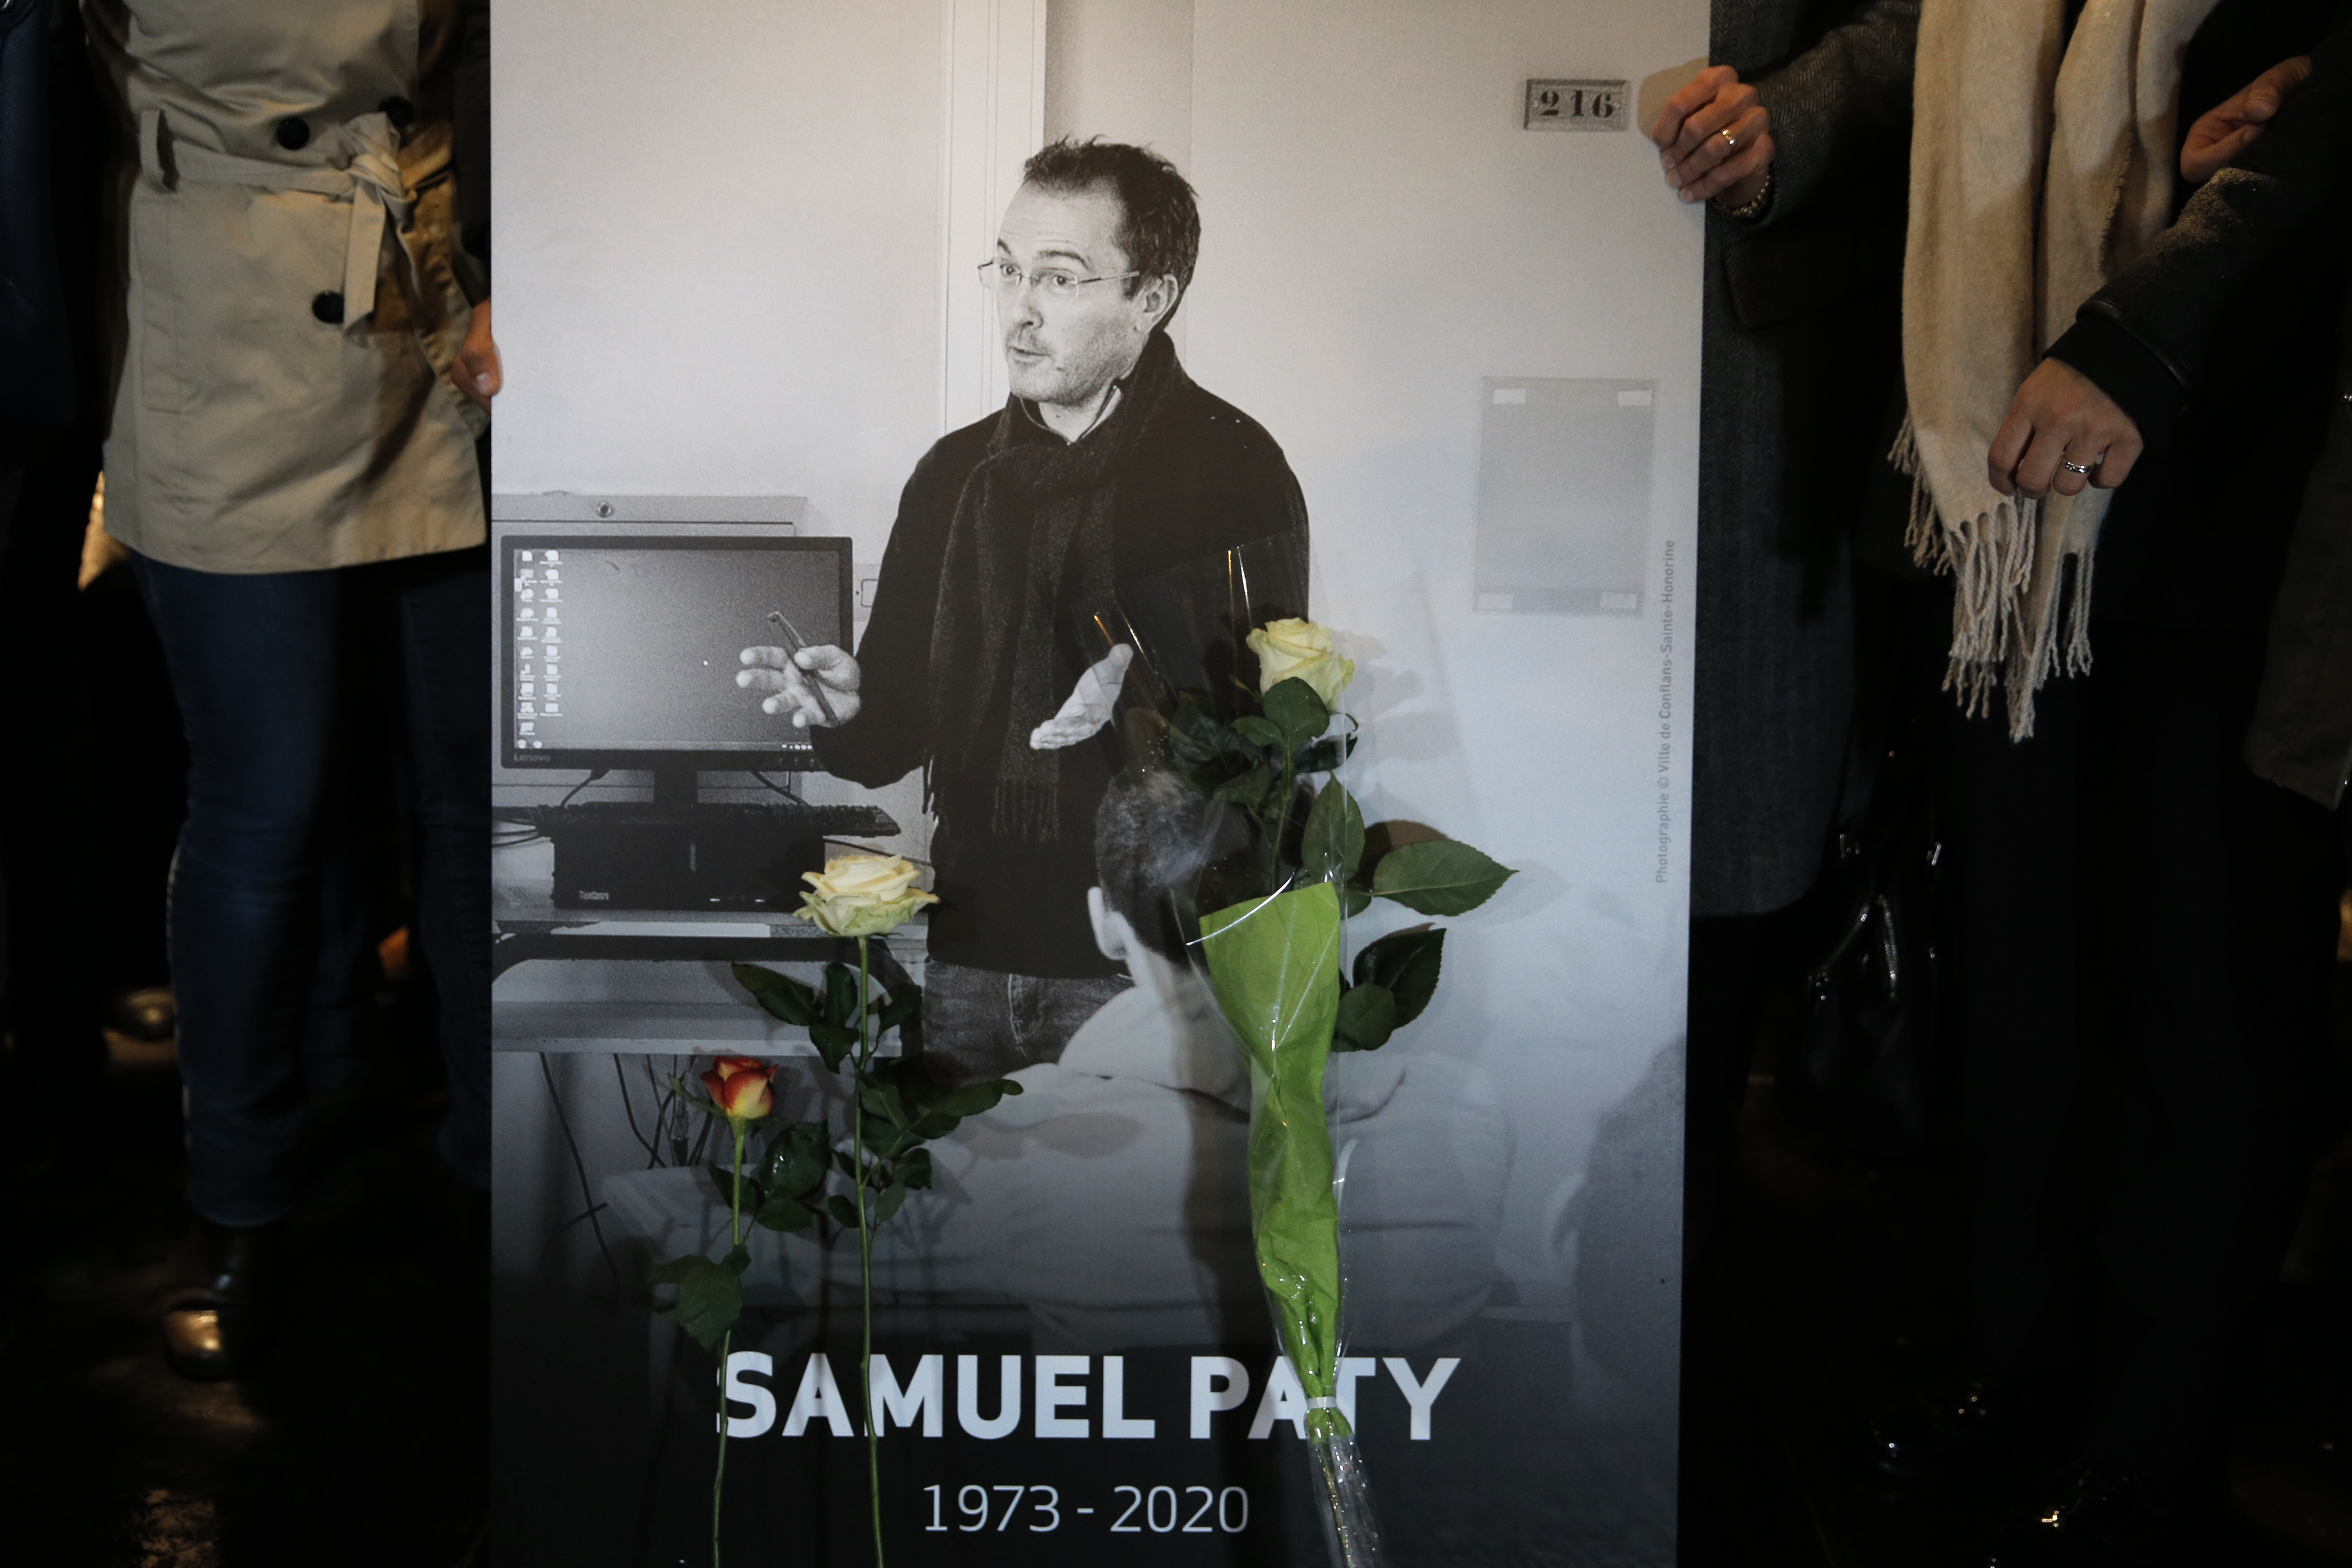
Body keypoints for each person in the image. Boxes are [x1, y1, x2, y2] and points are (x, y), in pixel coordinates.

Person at [1889, 4, 2349, 1561]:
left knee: (2203, 989)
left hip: (2244, 460)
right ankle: (2016, 1360)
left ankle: (2151, 1439)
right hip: (2009, 494)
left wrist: (2152, 305)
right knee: (2022, 960)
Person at [82, 0, 497, 1380]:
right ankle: (243, 1204)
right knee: (267, 808)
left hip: (430, 323)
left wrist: (509, 265)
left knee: (472, 804)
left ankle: (496, 1171)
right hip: (227, 325)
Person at [735, 138, 1311, 1086]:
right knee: (969, 1233)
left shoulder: (1230, 468)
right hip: (968, 951)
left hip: (1150, 965)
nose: (1020, 311)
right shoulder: (956, 477)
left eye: (1061, 278)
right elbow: (892, 742)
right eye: (1008, 271)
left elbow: (1268, 748)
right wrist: (847, 712)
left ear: (1151, 299)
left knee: (1131, 1238)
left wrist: (1135, 688)